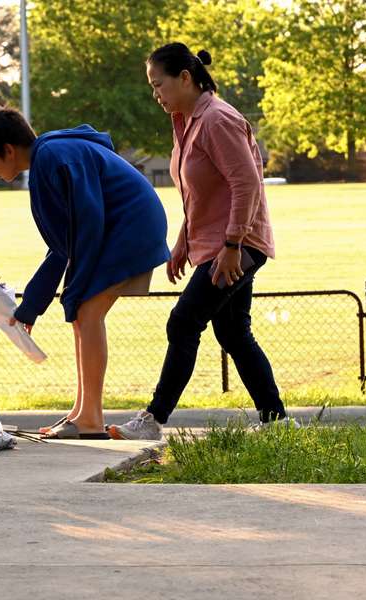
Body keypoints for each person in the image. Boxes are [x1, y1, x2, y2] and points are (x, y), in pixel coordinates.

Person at [108, 43, 291, 441]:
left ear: (186, 79)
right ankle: (277, 421)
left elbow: (246, 184)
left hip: (237, 244)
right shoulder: (186, 121)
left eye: (160, 85)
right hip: (215, 244)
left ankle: (153, 419)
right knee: (233, 332)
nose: (156, 95)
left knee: (184, 320)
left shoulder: (217, 120)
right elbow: (201, 193)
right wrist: (183, 242)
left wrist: (232, 247)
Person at [0, 106, 170, 439]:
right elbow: (63, 245)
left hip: (130, 227)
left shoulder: (52, 157)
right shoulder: (49, 156)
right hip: (121, 227)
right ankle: (82, 413)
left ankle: (90, 418)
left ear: (7, 150)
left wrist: (72, 288)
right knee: (82, 312)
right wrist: (33, 304)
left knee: (87, 312)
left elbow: (87, 223)